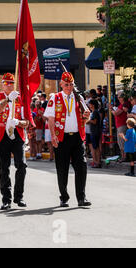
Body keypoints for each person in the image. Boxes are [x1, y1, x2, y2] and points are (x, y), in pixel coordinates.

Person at [44, 72, 91, 208]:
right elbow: (51, 119)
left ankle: (81, 197)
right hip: (62, 137)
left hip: (77, 137)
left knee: (81, 166)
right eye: (66, 85)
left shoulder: (79, 98)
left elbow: (85, 118)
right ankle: (64, 197)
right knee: (62, 169)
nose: (69, 87)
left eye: (71, 84)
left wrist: (86, 116)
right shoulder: (55, 98)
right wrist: (53, 135)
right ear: (61, 84)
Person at [0, 73, 29, 210]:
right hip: (2, 135)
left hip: (17, 134)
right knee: (4, 167)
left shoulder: (20, 98)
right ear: (2, 85)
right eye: (6, 83)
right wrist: (7, 99)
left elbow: (27, 122)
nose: (9, 86)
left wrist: (18, 122)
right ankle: (6, 199)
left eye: (11, 83)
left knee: (22, 165)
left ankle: (19, 196)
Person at [112, 91, 130, 162]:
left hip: (122, 125)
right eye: (118, 97)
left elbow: (116, 113)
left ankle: (124, 157)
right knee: (120, 142)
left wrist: (111, 109)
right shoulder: (121, 104)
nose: (118, 98)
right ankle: (123, 156)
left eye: (119, 97)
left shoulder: (124, 104)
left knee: (122, 142)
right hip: (119, 125)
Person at [86, 99, 102, 168]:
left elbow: (95, 122)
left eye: (89, 104)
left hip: (95, 132)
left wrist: (89, 120)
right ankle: (96, 162)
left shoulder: (95, 112)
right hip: (94, 131)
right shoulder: (94, 112)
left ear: (92, 105)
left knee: (96, 147)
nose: (89, 105)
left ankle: (97, 162)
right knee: (95, 147)